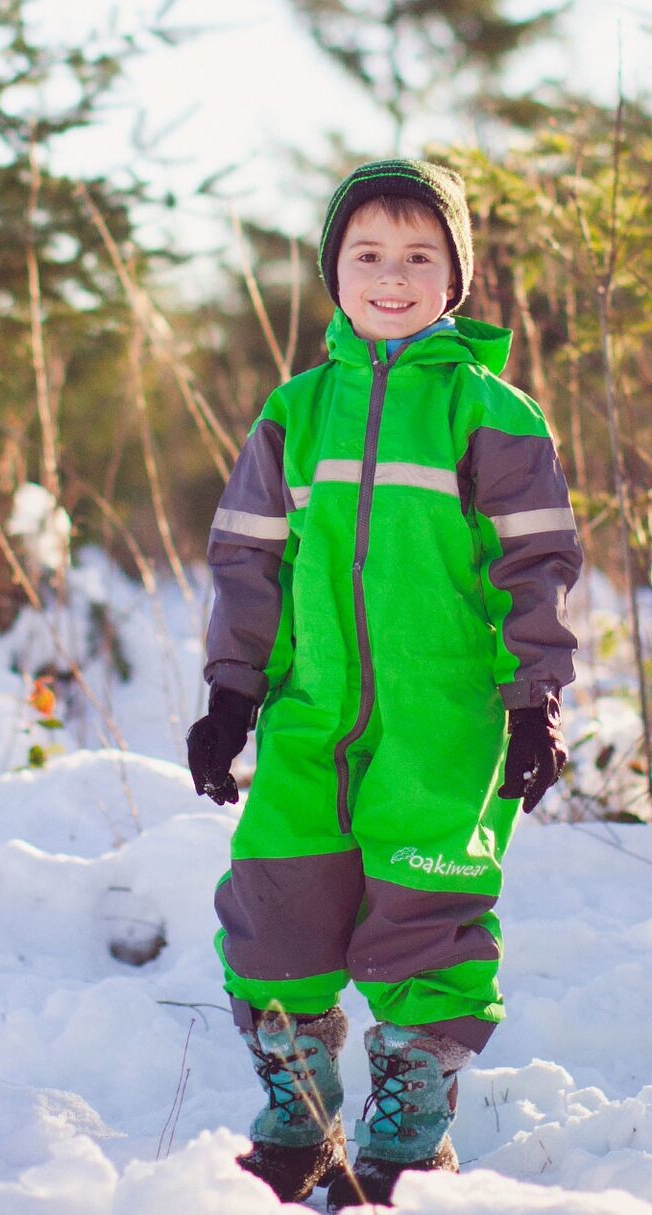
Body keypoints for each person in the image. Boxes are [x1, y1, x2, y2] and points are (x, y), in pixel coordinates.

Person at [186, 159, 581, 1211]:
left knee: (425, 910)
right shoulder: (296, 414)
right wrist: (232, 696)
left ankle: (409, 1123)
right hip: (311, 714)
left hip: (444, 720)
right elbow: (247, 564)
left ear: (454, 277)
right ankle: (300, 1117)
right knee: (276, 904)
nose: (392, 276)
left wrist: (533, 697)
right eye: (368, 255)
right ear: (335, 273)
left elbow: (533, 569)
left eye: (419, 256)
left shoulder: (491, 416)